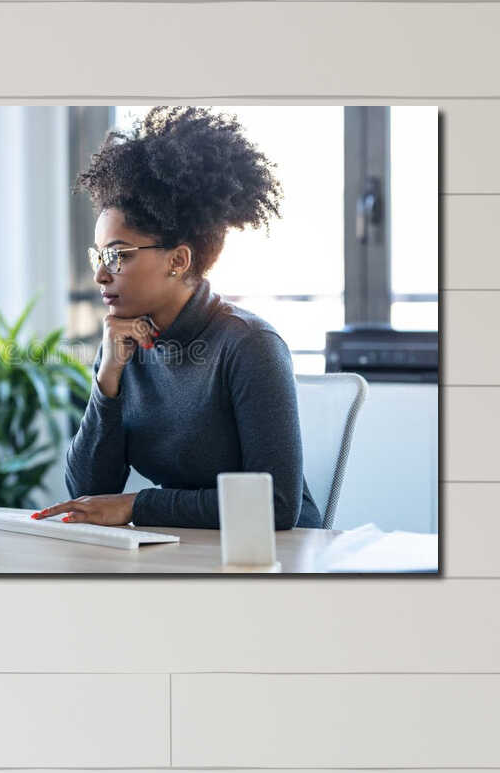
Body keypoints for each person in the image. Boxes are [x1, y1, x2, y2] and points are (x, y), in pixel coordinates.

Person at [34, 107, 323, 530]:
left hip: (276, 558)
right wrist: (108, 381)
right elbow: (88, 492)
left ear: (178, 260)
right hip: (184, 552)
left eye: (116, 255)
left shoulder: (248, 344)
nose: (99, 274)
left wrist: (138, 506)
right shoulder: (121, 344)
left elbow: (276, 506)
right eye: (98, 256)